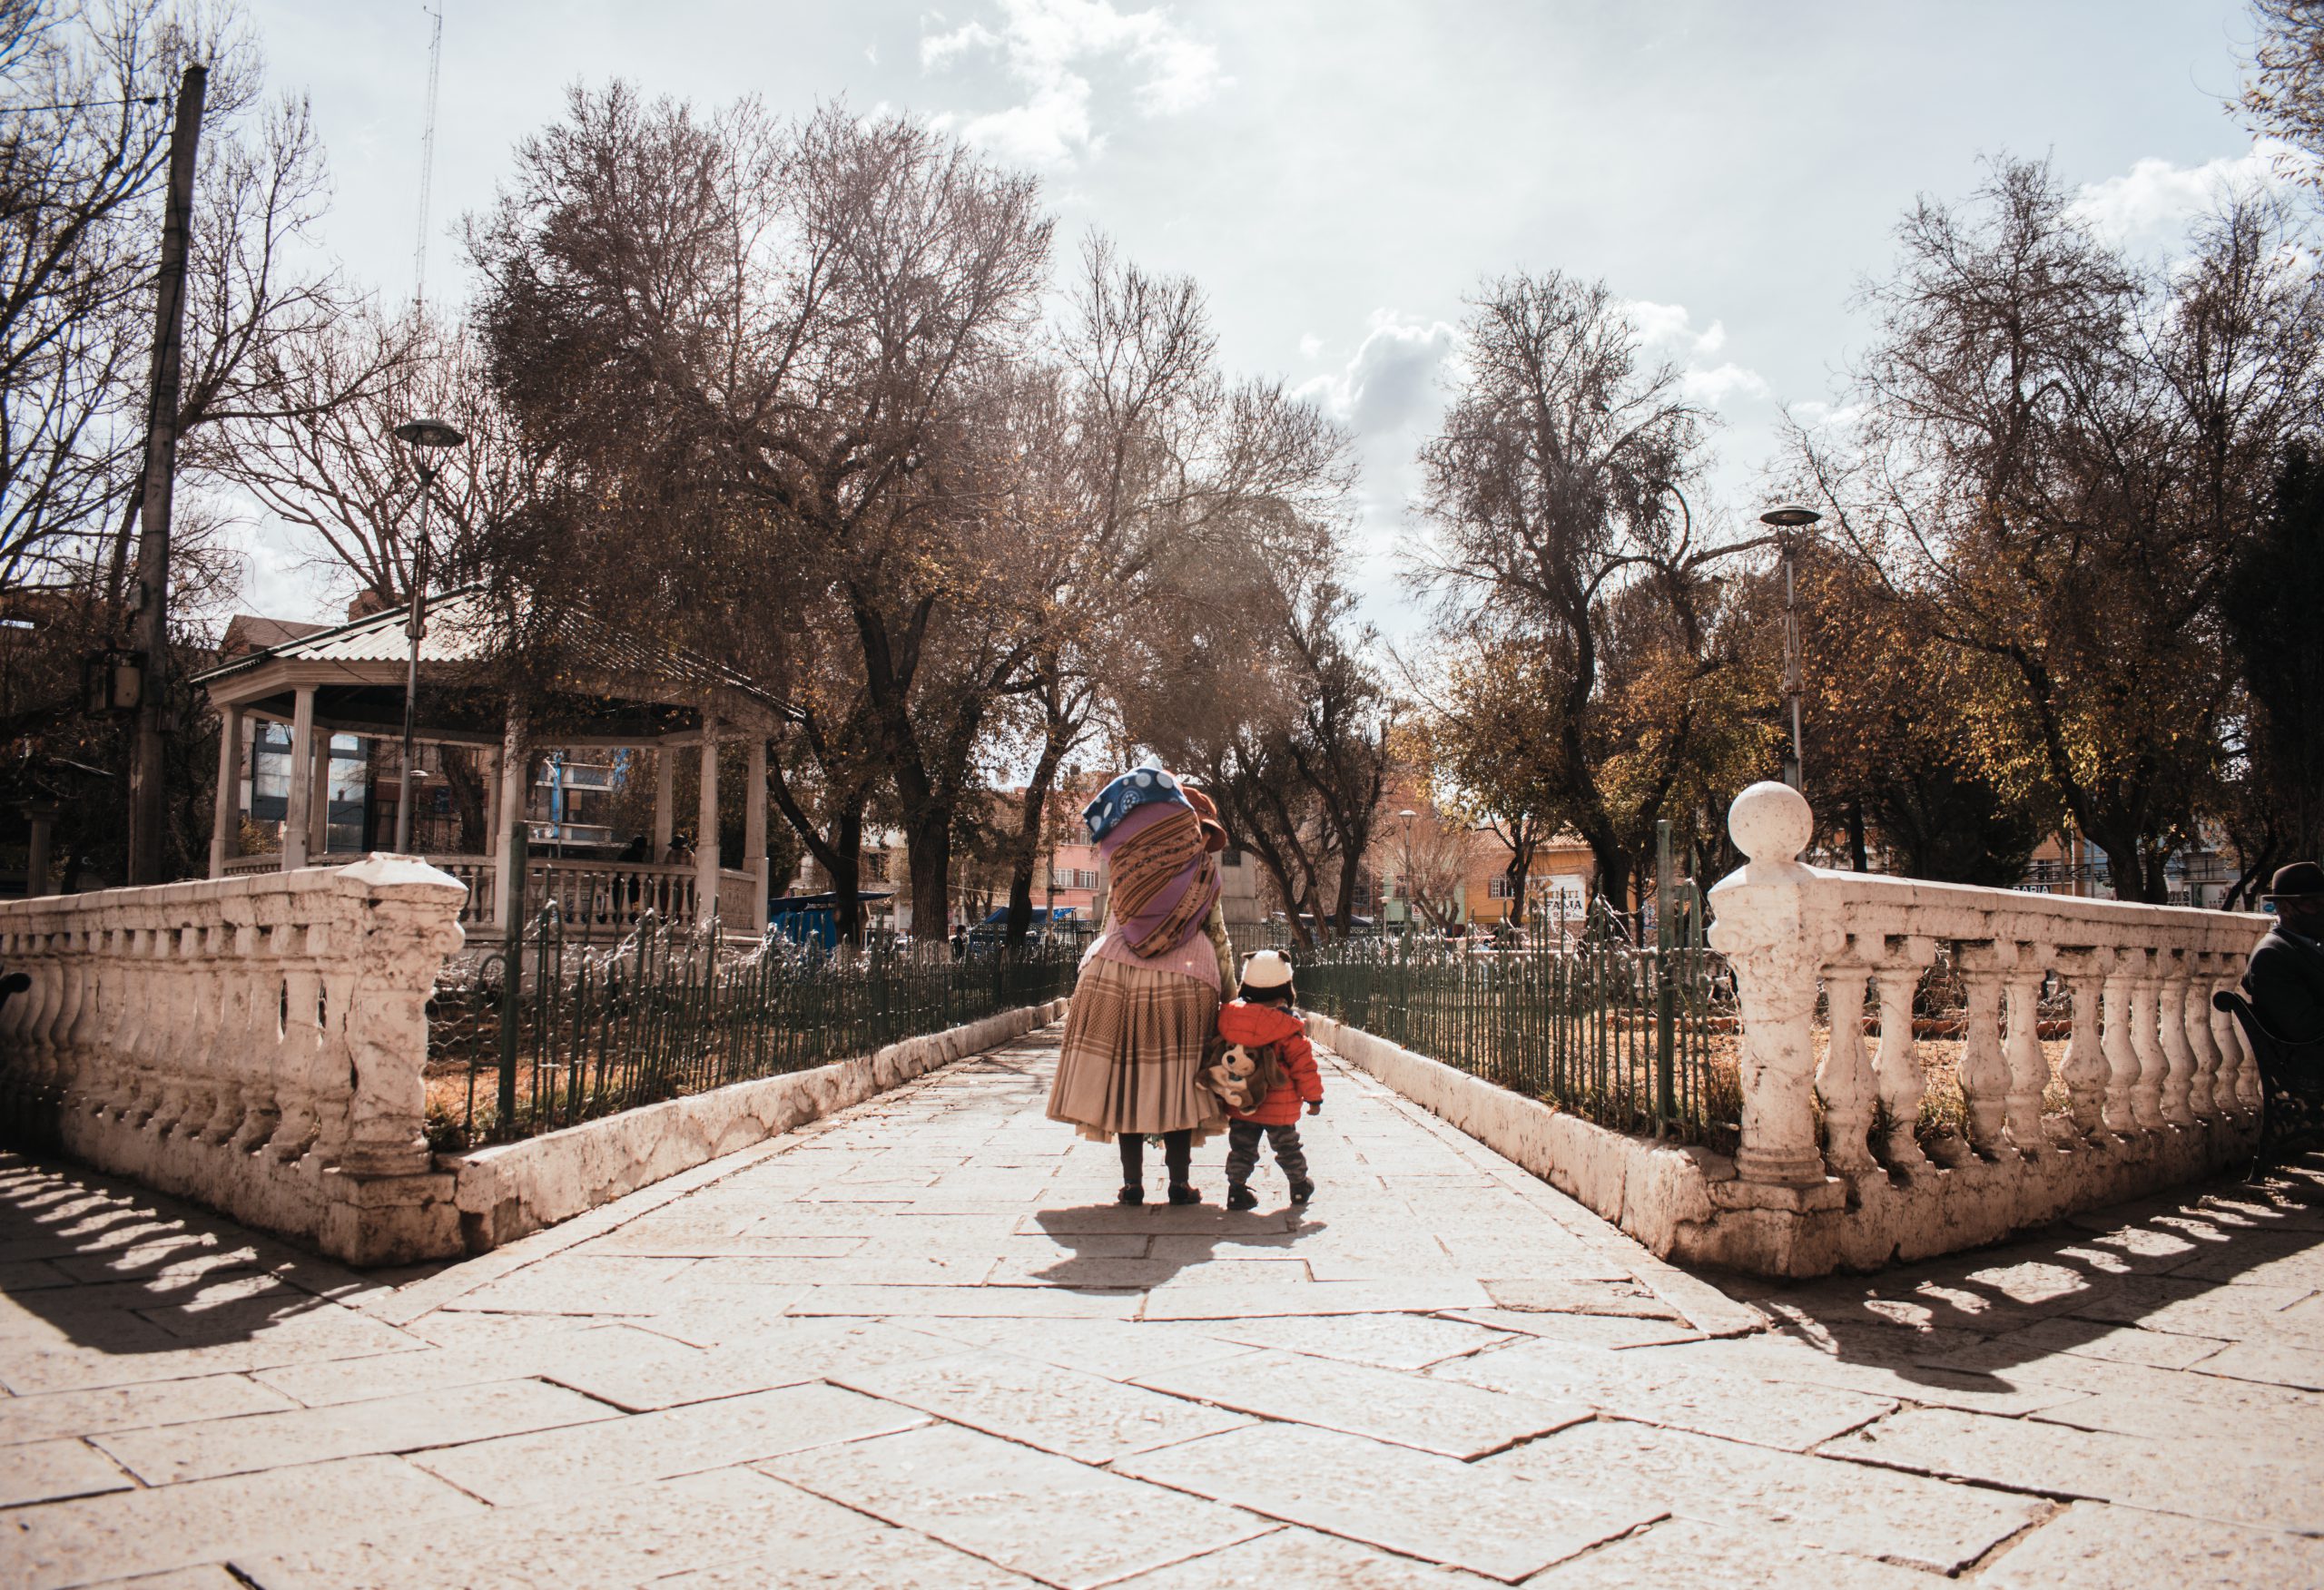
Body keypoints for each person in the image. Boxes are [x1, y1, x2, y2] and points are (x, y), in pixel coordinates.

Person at [1048, 759, 1230, 1205]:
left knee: (1127, 1084)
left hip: (1115, 978)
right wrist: (1232, 997)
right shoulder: (1206, 877)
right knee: (1180, 1085)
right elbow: (1218, 938)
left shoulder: (1129, 867)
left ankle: (1132, 1184)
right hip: (1187, 983)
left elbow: (1117, 922)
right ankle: (1179, 1183)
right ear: (1198, 832)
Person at [1216, 947, 1324, 1210]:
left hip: (1244, 1101)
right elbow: (1303, 1065)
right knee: (1287, 1146)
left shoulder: (1231, 1019)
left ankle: (1236, 1189)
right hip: (1280, 1104)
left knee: (1241, 1147)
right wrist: (1314, 1097)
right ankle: (1299, 1185)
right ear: (1286, 990)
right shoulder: (1287, 1026)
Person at [2247, 861, 2324, 1046]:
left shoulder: (2307, 945)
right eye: (2313, 904)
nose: (2322, 910)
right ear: (2284, 908)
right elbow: (2306, 1027)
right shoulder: (2271, 955)